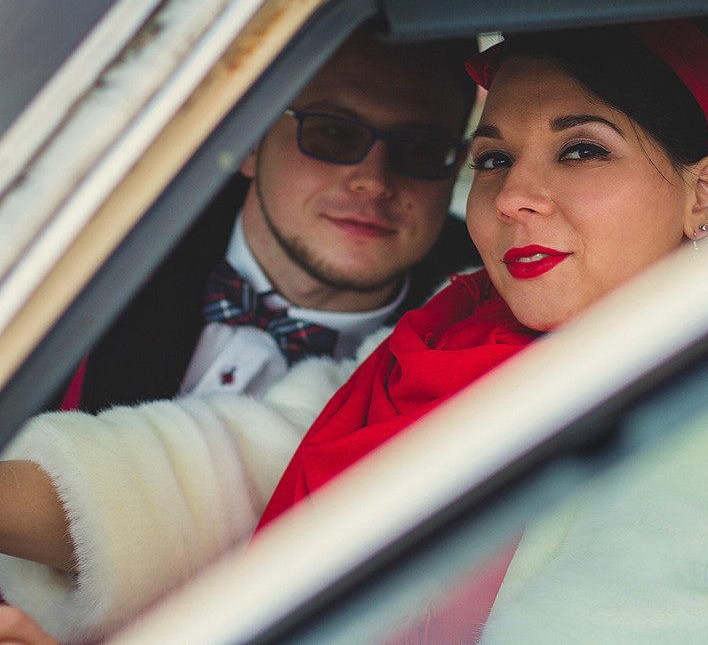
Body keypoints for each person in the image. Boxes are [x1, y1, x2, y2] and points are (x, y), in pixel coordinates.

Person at [0, 15, 708, 644]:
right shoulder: (462, 327)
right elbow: (245, 469)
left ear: (703, 193)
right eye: (494, 159)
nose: (516, 194)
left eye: (582, 150)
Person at [57, 23, 481, 412]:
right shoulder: (94, 242)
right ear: (249, 140)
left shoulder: (484, 355)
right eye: (334, 132)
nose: (373, 181)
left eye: (421, 148)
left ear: (457, 166)